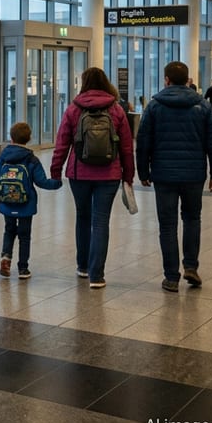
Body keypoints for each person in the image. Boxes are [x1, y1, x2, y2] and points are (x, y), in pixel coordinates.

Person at [136, 61, 212, 293]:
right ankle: (191, 266)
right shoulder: (203, 106)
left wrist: (143, 172)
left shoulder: (154, 106)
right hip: (194, 175)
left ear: (166, 80)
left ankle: (171, 277)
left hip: (164, 175)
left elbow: (143, 142)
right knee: (192, 219)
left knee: (167, 225)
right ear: (187, 80)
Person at [50, 67, 134, 289]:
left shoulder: (73, 109)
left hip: (79, 173)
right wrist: (129, 175)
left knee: (83, 218)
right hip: (109, 174)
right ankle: (97, 275)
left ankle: (83, 266)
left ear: (83, 83)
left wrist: (56, 170)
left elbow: (62, 143)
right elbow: (126, 147)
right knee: (100, 221)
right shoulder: (116, 110)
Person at [0, 122, 61, 279]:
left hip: (6, 202)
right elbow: (41, 181)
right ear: (29, 139)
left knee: (9, 230)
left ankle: (6, 257)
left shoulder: (3, 157)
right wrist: (57, 183)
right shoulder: (31, 159)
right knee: (24, 235)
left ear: (11, 137)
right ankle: (23, 268)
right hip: (25, 204)